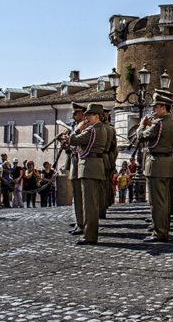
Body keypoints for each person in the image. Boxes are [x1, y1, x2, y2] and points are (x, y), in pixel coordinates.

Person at [136, 92, 173, 242]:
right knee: (164, 200)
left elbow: (141, 136)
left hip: (157, 164)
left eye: (156, 107)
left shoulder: (159, 123)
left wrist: (141, 125)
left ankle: (159, 232)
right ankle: (163, 228)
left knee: (157, 201)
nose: (153, 109)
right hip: (168, 163)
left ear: (163, 108)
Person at [67, 103, 107, 245]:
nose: (86, 117)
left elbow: (74, 140)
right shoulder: (99, 128)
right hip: (94, 167)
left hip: (89, 167)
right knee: (91, 204)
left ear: (96, 116)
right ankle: (89, 232)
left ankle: (90, 235)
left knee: (89, 205)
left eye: (89, 115)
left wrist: (77, 129)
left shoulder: (92, 130)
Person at [64, 102, 86, 236]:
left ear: (82, 114)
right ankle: (79, 222)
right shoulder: (76, 127)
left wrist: (71, 141)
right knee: (77, 195)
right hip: (75, 161)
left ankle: (82, 223)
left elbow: (80, 145)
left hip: (80, 162)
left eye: (75, 113)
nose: (73, 115)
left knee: (80, 195)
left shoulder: (83, 128)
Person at [100, 108, 117, 218]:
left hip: (102, 157)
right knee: (106, 184)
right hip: (109, 157)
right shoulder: (110, 129)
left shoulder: (103, 128)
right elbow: (114, 148)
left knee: (102, 186)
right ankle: (106, 204)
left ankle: (102, 207)